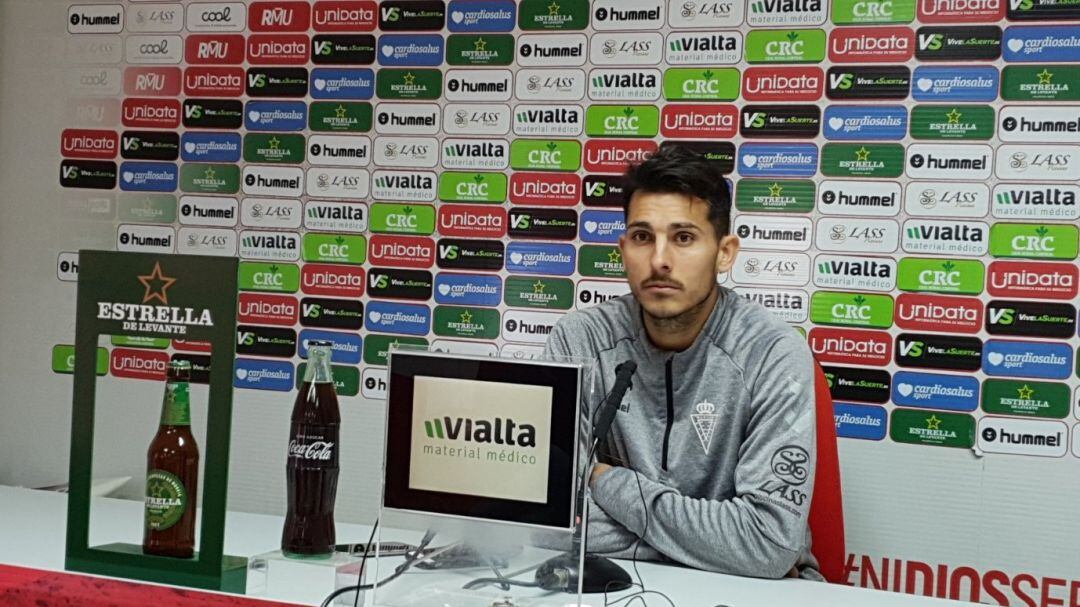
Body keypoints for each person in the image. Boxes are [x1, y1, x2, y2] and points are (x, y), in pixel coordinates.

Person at [544, 144, 821, 580]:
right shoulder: (580, 340)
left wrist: (605, 481)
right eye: (642, 237)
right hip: (610, 584)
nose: (659, 260)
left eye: (684, 237)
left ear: (725, 252)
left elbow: (767, 544)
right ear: (622, 249)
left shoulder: (771, 352)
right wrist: (708, 543)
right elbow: (552, 522)